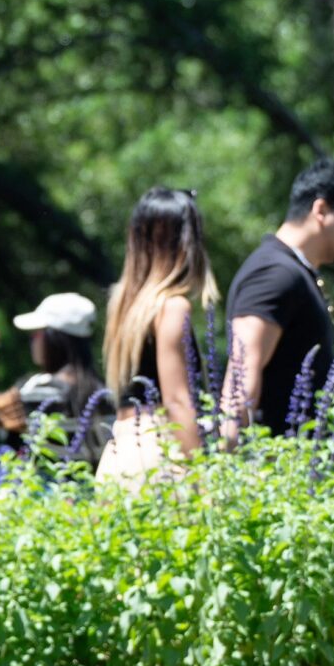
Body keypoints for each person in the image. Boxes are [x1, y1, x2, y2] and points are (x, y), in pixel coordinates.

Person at [225, 159, 334, 434]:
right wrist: (231, 463)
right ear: (321, 210)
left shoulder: (294, 273)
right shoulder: (275, 273)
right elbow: (242, 373)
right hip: (272, 471)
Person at [98, 189, 220, 468]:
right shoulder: (172, 308)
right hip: (159, 455)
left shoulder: (125, 307)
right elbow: (176, 401)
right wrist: (201, 474)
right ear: (188, 243)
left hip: (118, 455)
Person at [0, 293, 111, 464]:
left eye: (37, 334)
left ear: (54, 339)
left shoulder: (40, 391)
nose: (32, 339)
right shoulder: (105, 393)